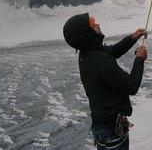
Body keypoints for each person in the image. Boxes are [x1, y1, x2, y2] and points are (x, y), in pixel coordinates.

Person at [63, 13, 147, 150]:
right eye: (92, 24)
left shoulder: (88, 53)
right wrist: (139, 59)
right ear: (87, 33)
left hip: (103, 126)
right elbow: (132, 86)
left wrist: (133, 38)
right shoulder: (100, 61)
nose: (97, 24)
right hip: (111, 130)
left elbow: (112, 50)